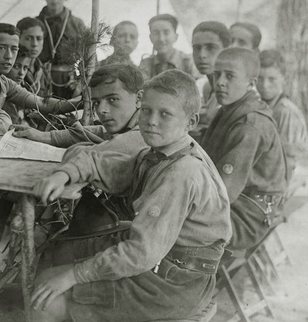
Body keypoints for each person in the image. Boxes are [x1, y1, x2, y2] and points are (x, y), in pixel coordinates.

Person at [29, 70, 231, 322]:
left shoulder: (182, 172)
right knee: (55, 258)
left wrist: (73, 275)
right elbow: (105, 165)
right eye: (146, 110)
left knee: (47, 301)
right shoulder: (158, 153)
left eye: (164, 114)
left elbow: (141, 253)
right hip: (167, 264)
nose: (151, 121)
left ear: (191, 122)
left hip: (174, 283)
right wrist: (65, 175)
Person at [200, 48, 288, 251]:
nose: (220, 82)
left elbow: (223, 193)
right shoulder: (231, 109)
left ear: (251, 83)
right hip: (239, 205)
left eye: (230, 76)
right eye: (217, 74)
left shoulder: (249, 124)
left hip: (247, 217)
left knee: (172, 223)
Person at [13, 64, 144, 150]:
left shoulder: (146, 132)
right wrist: (42, 136)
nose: (101, 110)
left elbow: (105, 149)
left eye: (112, 99)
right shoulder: (128, 124)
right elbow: (97, 132)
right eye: (96, 102)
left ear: (139, 98)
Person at [0, 23, 79, 116]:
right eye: (2, 48)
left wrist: (81, 102)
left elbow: (42, 103)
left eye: (14, 49)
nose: (9, 56)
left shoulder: (5, 83)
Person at [257, 49, 308, 180]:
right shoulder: (263, 106)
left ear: (284, 79)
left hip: (282, 182)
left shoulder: (286, 111)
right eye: (260, 78)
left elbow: (288, 162)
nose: (265, 85)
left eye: (272, 79)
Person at [36, 0, 88, 99]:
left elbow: (89, 58)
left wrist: (80, 84)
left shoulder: (77, 24)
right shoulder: (35, 24)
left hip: (69, 82)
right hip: (40, 81)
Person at [190, 21, 231, 140]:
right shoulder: (206, 87)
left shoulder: (233, 90)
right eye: (196, 48)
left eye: (210, 48)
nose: (202, 55)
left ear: (226, 50)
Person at [138, 14, 197, 79]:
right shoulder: (146, 64)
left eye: (166, 33)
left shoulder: (188, 62)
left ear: (176, 36)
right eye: (156, 33)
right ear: (150, 38)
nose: (161, 39)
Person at [16, 17, 51, 96]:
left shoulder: (43, 71)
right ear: (18, 39)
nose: (34, 44)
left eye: (39, 39)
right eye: (28, 38)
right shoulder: (11, 69)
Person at [3, 45, 34, 124]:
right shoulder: (5, 92)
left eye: (25, 68)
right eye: (16, 66)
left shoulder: (25, 87)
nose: (21, 73)